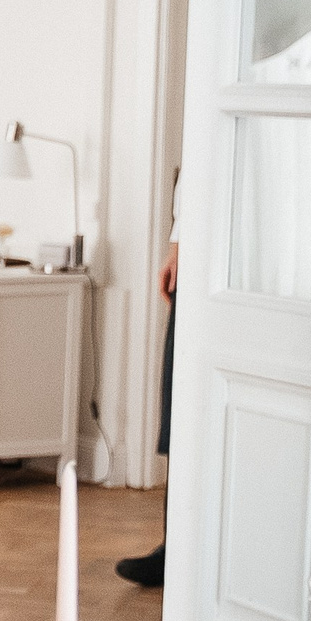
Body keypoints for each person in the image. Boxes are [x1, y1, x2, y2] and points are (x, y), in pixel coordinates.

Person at [117, 175, 178, 588]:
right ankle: (171, 547)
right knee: (177, 412)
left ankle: (179, 550)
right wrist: (177, 248)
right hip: (191, 260)